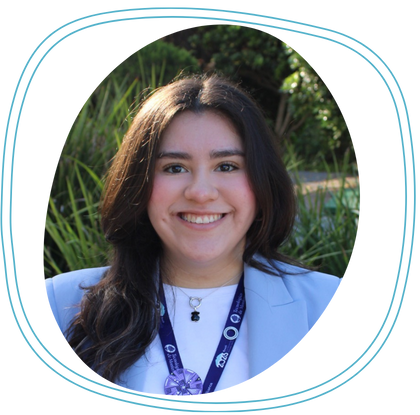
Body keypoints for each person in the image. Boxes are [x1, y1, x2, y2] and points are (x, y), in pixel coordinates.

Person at [43, 73, 344, 398]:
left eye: (227, 166)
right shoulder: (57, 306)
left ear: (262, 181)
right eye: (174, 167)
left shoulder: (327, 305)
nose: (201, 193)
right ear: (138, 185)